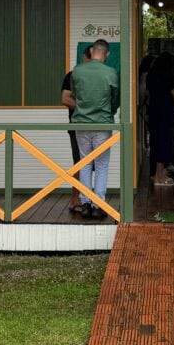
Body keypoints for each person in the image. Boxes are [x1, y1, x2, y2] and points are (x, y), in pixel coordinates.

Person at [69, 38, 119, 219]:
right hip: (103, 123)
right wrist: (109, 111)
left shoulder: (78, 71)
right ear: (107, 53)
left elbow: (75, 94)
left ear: (91, 52)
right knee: (102, 164)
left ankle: (85, 203)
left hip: (81, 122)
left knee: (84, 162)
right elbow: (115, 99)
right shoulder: (111, 72)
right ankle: (98, 204)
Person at [61, 46, 92, 214]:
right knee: (79, 163)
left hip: (97, 126)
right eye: (89, 57)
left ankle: (91, 199)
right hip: (78, 126)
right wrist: (85, 109)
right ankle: (75, 199)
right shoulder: (72, 76)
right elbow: (65, 98)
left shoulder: (101, 76)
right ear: (84, 57)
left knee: (95, 164)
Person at [146, 52, 174, 186]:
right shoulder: (168, 76)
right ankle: (160, 176)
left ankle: (154, 174)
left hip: (153, 111)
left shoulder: (151, 75)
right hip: (165, 112)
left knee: (155, 142)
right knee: (164, 142)